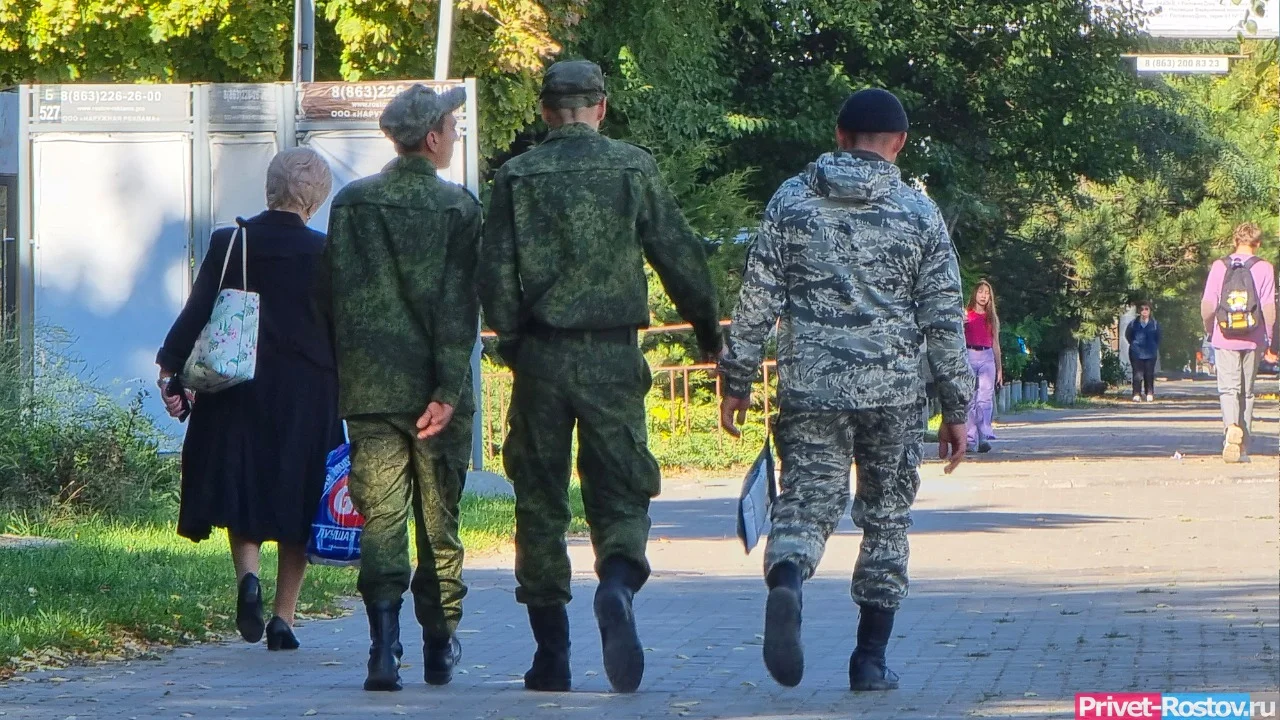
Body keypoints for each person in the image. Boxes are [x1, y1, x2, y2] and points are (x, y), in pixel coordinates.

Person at [478, 59, 723, 695]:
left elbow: (496, 269)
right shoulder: (633, 168)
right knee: (621, 485)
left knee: (539, 499)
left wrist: (509, 341)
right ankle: (615, 584)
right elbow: (679, 253)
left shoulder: (516, 176)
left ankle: (551, 656)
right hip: (614, 356)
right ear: (601, 107)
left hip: (541, 357)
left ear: (544, 111)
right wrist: (707, 332)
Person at [717, 88, 974, 692]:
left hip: (812, 386)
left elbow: (757, 301)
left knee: (806, 500)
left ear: (838, 135)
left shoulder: (790, 202)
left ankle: (786, 582)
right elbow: (943, 315)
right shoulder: (918, 213)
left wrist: (737, 379)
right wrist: (958, 407)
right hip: (893, 393)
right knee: (886, 518)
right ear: (901, 144)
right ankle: (870, 660)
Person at [316, 85, 481, 691]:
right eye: (452, 126)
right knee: (440, 522)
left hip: (370, 391)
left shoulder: (352, 203)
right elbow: (458, 309)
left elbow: (326, 293)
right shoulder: (458, 209)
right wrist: (445, 387)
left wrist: (348, 362)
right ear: (432, 138)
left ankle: (382, 650)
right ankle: (440, 644)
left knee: (380, 518)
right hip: (436, 395)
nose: (456, 135)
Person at [156, 147, 342, 652]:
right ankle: (284, 618)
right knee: (301, 494)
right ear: (317, 198)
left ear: (270, 188)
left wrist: (171, 369)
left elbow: (198, 309)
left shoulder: (230, 241)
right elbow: (343, 329)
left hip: (239, 384)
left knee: (244, 483)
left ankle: (247, 580)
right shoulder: (327, 252)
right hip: (310, 391)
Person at [1199, 222, 1276, 464]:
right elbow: (1269, 307)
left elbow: (1208, 304)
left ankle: (1231, 428)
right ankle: (1243, 445)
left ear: (1235, 241)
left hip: (1225, 334)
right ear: (1258, 243)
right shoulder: (1265, 267)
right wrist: (1270, 339)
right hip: (1253, 337)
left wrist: (1209, 328)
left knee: (1228, 389)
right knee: (1247, 391)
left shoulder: (1220, 266)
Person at [964, 280, 1002, 453]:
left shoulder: (991, 318)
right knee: (970, 400)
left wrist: (999, 368)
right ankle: (971, 439)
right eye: (980, 291)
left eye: (987, 292)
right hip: (970, 355)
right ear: (975, 294)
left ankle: (984, 434)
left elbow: (995, 344)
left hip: (987, 357)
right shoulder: (966, 315)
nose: (983, 295)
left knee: (985, 398)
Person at [1125, 302, 1161, 403]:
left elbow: (1158, 337)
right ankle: (1136, 394)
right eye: (1142, 309)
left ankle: (1149, 393)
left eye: (1146, 309)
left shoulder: (1154, 324)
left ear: (1150, 311)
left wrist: (1153, 346)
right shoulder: (1133, 324)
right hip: (1136, 352)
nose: (1144, 311)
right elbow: (1128, 336)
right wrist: (1135, 344)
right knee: (1137, 374)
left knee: (1149, 374)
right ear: (1139, 311)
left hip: (1150, 353)